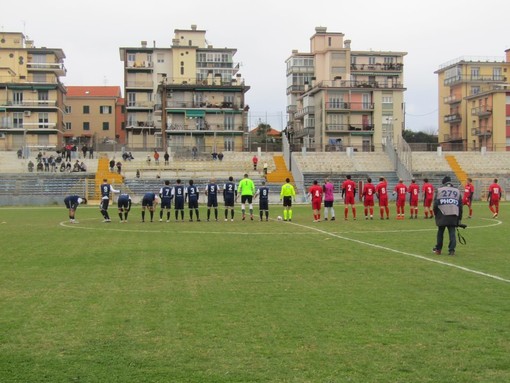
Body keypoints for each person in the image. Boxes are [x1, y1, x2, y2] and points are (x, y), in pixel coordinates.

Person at [433, 176, 463, 256]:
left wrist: (436, 214)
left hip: (441, 213)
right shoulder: (457, 191)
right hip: (453, 214)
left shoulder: (439, 190)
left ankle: (438, 249)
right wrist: (459, 218)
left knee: (440, 232)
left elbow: (435, 204)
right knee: (452, 233)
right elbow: (460, 206)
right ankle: (451, 250)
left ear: (444, 183)